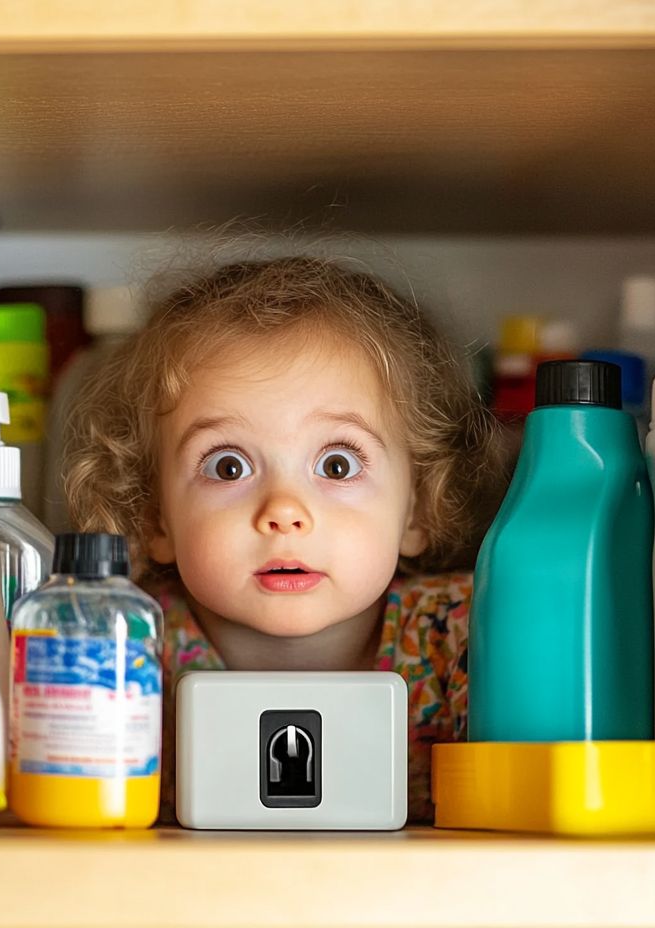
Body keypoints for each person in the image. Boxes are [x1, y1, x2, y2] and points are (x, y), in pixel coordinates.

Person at [64, 255, 505, 820]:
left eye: (339, 466)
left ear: (416, 510)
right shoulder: (118, 649)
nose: (285, 512)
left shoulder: (471, 639)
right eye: (227, 467)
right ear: (155, 519)